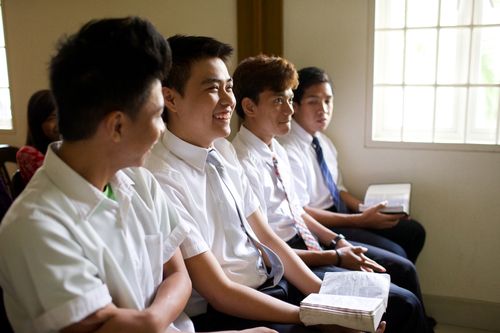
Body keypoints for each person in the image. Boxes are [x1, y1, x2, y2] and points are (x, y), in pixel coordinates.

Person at [0, 17, 272, 333]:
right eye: (158, 116)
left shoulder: (140, 182)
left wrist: (150, 321)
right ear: (117, 126)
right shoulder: (36, 226)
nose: (161, 131)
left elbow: (178, 276)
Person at [145, 36, 385, 333]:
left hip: (273, 282)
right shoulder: (161, 178)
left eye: (229, 87)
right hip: (231, 310)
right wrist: (314, 315)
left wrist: (327, 298)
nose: (228, 100)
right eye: (212, 88)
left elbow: (268, 238)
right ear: (170, 99)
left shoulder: (222, 149)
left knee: (389, 302)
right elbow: (220, 292)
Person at [231, 55, 432, 333]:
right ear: (249, 106)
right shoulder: (241, 162)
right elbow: (270, 247)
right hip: (290, 256)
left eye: (290, 99)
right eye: (279, 100)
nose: (289, 110)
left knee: (401, 275)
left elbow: (297, 211)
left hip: (310, 241)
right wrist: (335, 256)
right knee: (404, 302)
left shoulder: (275, 148)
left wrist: (337, 241)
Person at [278, 66, 426, 264]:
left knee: (413, 231)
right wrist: (360, 220)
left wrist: (367, 209)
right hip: (321, 223)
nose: (323, 109)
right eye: (313, 102)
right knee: (396, 253)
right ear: (295, 106)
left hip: (342, 213)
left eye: (328, 101)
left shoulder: (323, 142)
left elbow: (338, 190)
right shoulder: (288, 149)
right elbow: (302, 212)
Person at [16, 89, 59, 184]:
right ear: (37, 123)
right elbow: (57, 184)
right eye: (51, 118)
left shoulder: (65, 146)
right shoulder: (27, 154)